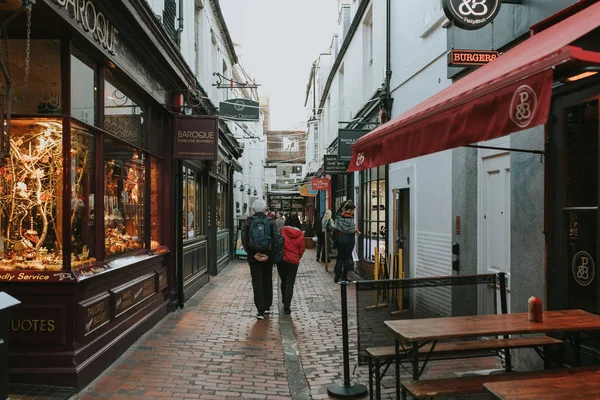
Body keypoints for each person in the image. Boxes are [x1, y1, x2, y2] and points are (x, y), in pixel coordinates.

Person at [243, 200, 279, 320]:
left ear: (253, 209)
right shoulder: (271, 222)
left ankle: (260, 310)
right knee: (267, 280)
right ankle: (268, 306)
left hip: (254, 258)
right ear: (265, 209)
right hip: (267, 257)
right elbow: (275, 240)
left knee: (257, 282)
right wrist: (269, 255)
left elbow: (244, 240)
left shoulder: (248, 221)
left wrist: (253, 254)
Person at [277, 214, 305, 315]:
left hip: (282, 260)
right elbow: (302, 249)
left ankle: (284, 299)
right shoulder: (300, 234)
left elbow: (277, 243)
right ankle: (287, 305)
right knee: (290, 283)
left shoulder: (282, 230)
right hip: (293, 261)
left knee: (283, 281)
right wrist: (297, 257)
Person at [334, 200, 360, 283]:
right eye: (353, 211)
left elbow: (336, 227)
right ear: (350, 210)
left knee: (340, 258)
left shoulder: (338, 217)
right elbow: (351, 230)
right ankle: (344, 277)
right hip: (348, 239)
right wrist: (356, 231)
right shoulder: (350, 218)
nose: (353, 213)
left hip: (340, 238)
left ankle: (337, 277)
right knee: (347, 258)